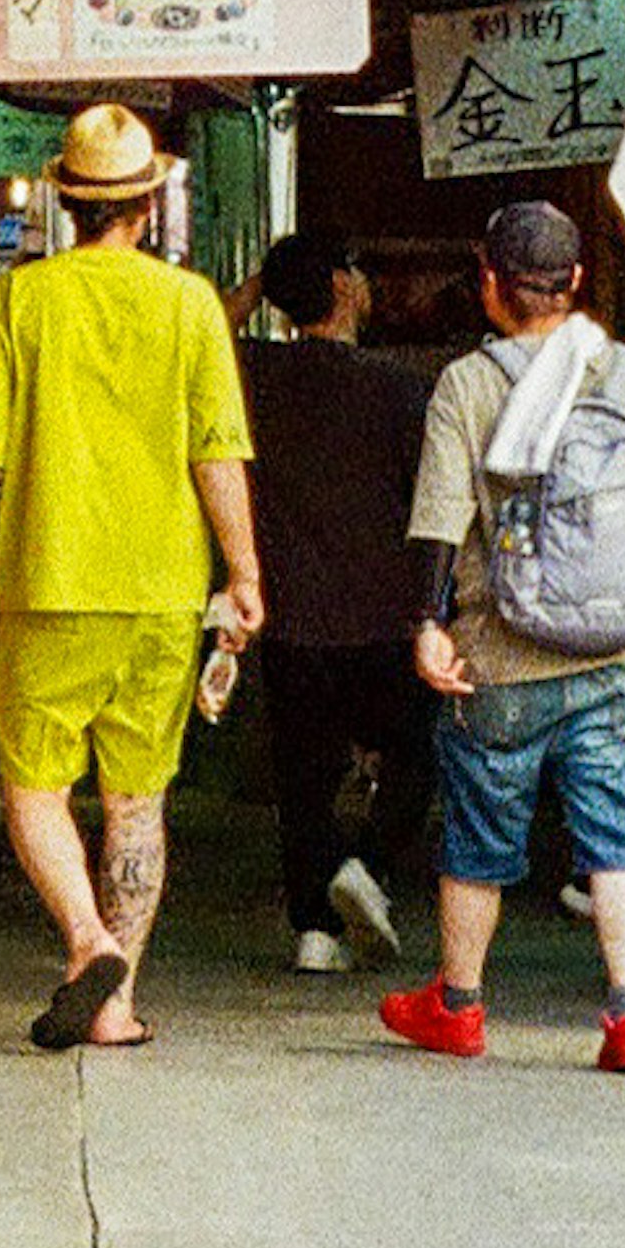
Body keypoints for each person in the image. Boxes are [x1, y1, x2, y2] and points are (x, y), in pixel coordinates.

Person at [0, 97, 263, 1051]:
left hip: (50, 585)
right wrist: (242, 573)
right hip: (163, 593)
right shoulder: (192, 305)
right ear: (150, 203)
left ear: (65, 203)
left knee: (32, 790)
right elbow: (218, 454)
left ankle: (85, 939)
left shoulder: (22, 300)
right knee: (136, 803)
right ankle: (115, 1004)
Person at [386, 192, 625, 1074]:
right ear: (576, 282)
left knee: (479, 840)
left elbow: (441, 522)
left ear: (490, 284)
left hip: (501, 659)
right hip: (613, 658)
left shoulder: (470, 383)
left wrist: (428, 625)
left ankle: (458, 1005)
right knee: (616, 836)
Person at [238, 226, 435, 976]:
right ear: (347, 287)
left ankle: (314, 930)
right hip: (385, 609)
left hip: (292, 611)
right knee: (417, 754)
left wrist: (265, 283)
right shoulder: (399, 387)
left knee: (303, 779)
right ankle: (368, 865)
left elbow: (208, 330)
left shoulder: (255, 372)